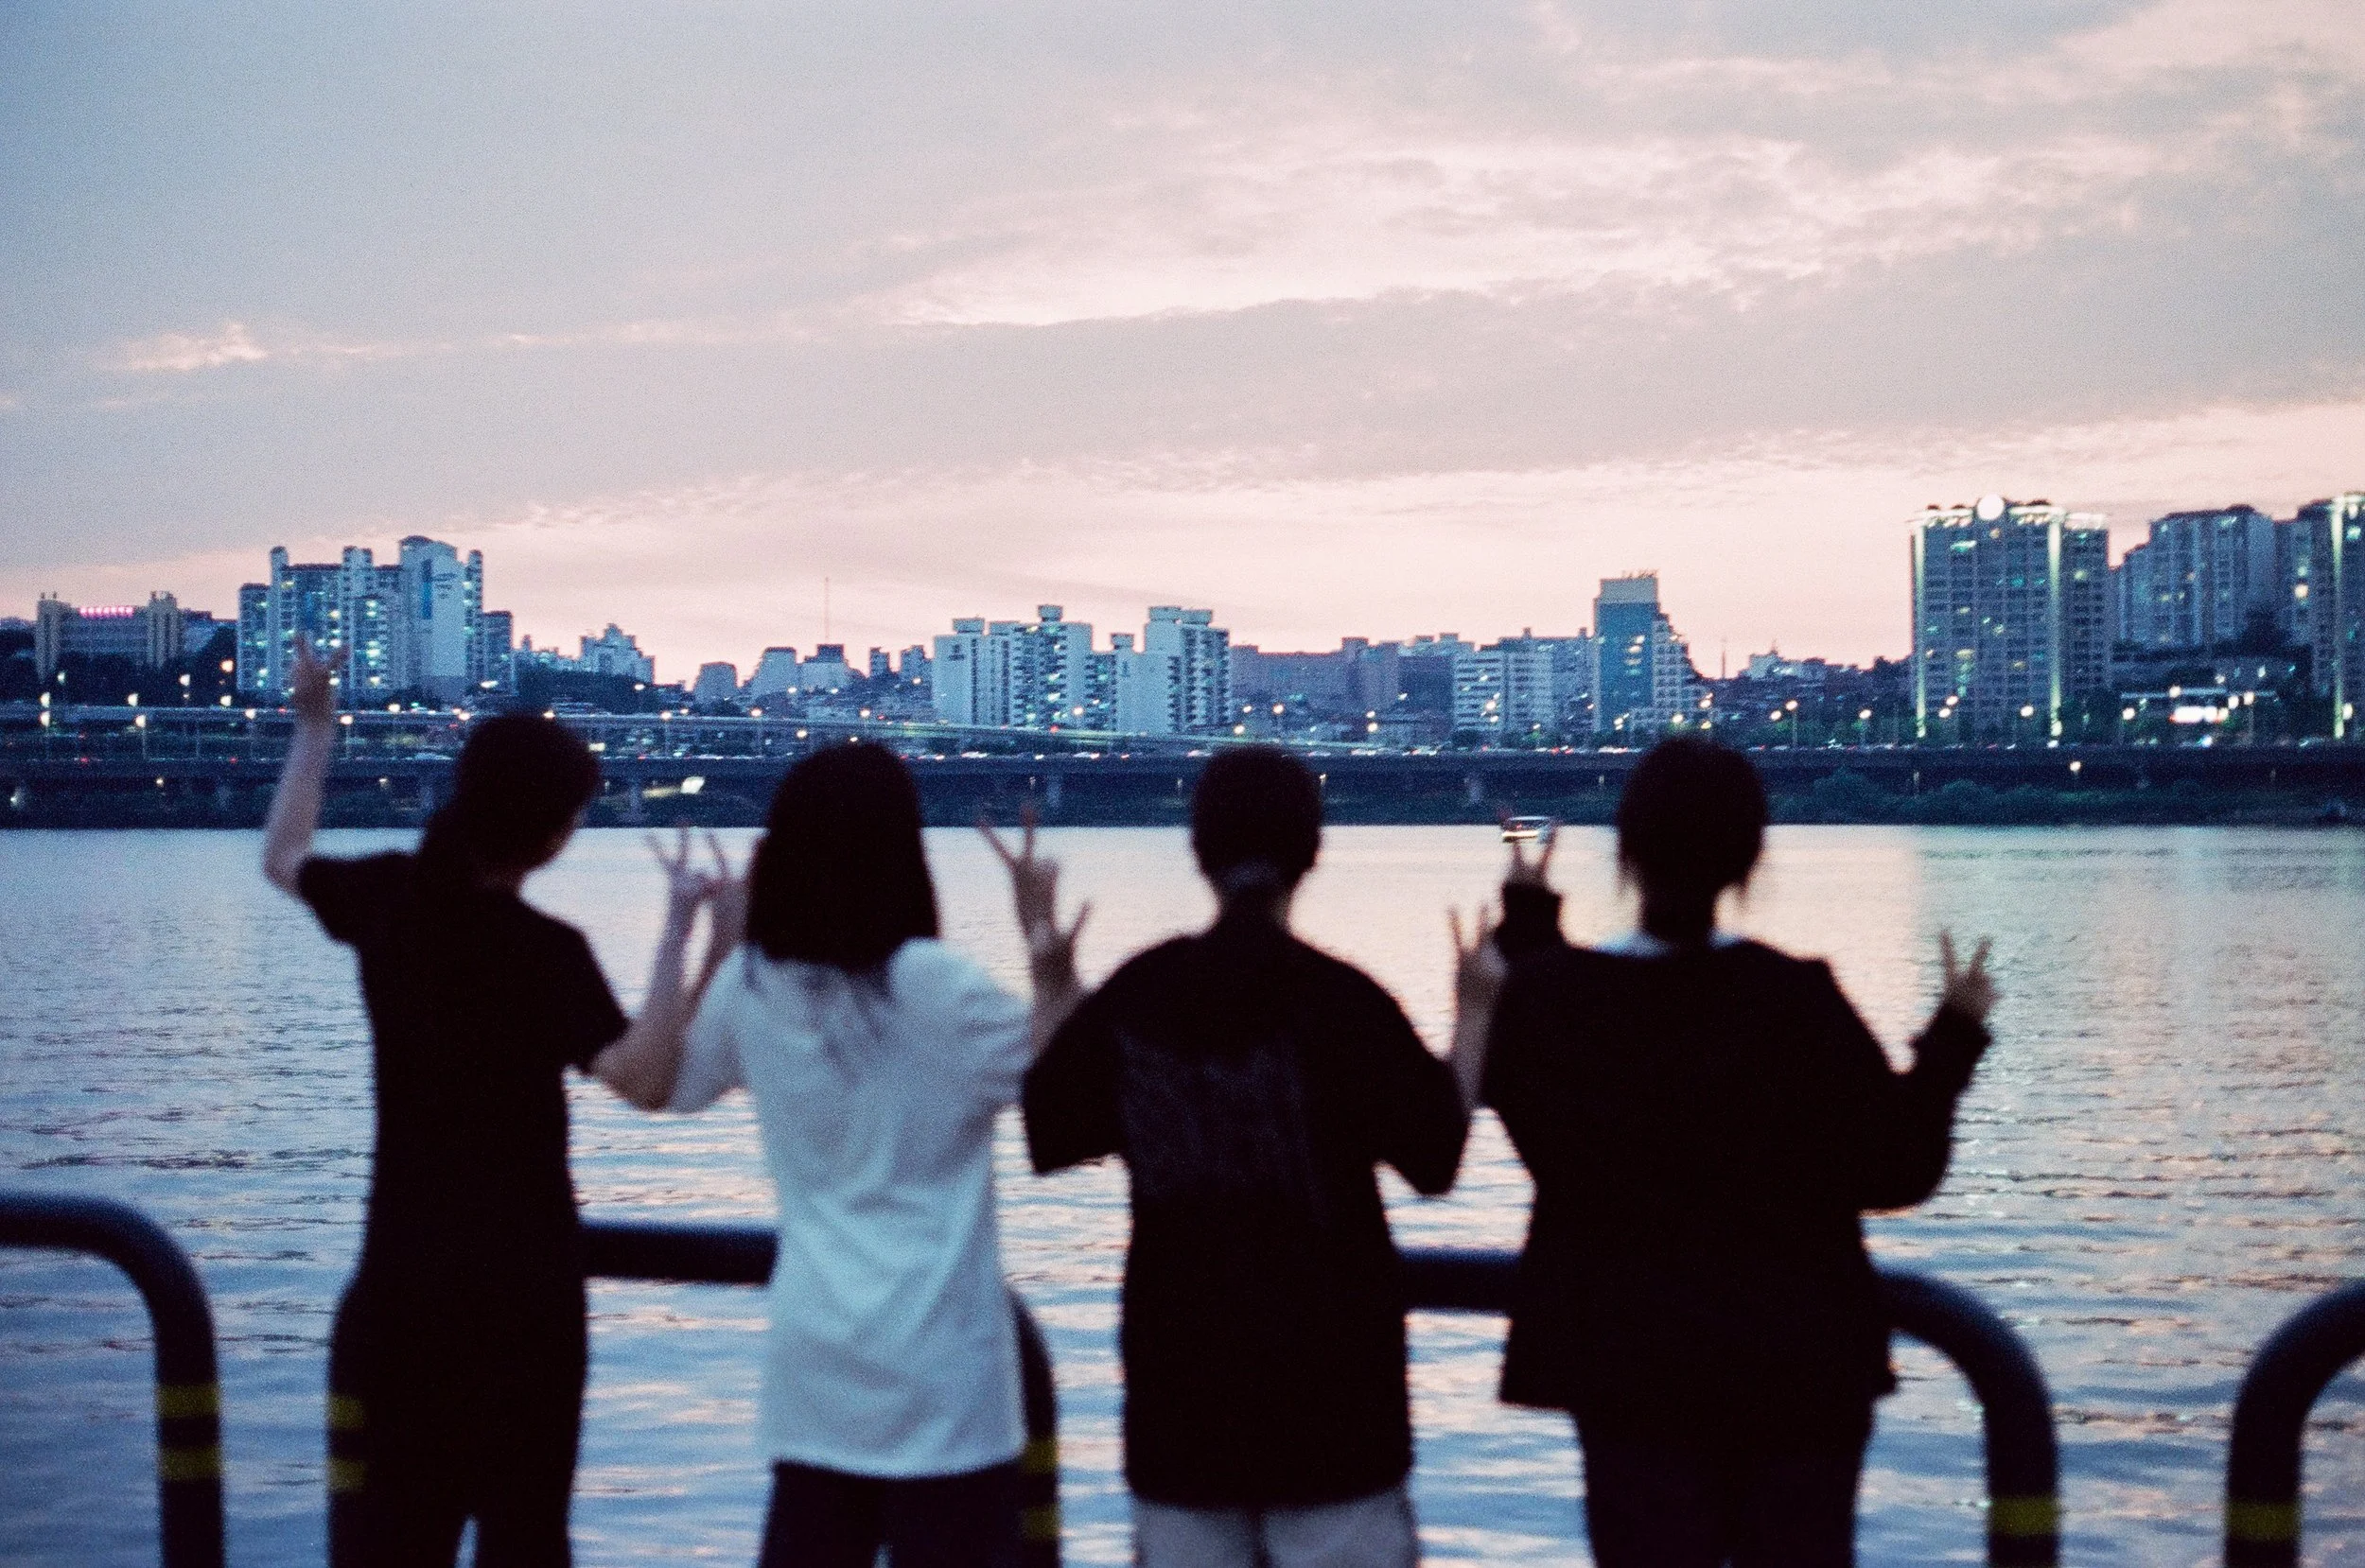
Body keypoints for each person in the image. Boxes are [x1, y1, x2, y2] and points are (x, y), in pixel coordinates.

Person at [1469, 736, 1999, 1568]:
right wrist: (1952, 1040)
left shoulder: (1552, 1004)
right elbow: (1899, 1167)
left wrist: (1529, 922)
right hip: (1800, 1368)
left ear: (1628, 852)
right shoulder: (1796, 1002)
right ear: (1750, 857)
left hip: (1628, 1368)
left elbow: (1543, 1062)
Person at [263, 639, 726, 1568]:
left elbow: (283, 856)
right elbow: (642, 1077)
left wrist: (316, 728)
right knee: (524, 1543)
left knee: (393, 1545)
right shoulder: (543, 951)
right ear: (551, 833)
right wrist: (687, 930)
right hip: (522, 1304)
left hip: (398, 1293)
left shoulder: (391, 897)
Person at [622, 741, 1083, 1568]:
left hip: (816, 1382)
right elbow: (1072, 1090)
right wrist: (1045, 945)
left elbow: (667, 1086)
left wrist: (714, 939)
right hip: (948, 1390)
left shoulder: (754, 986)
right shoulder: (938, 987)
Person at [1018, 746, 1480, 1568]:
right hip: (1338, 1414)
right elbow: (1436, 1154)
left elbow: (1052, 1127)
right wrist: (1476, 1012)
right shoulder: (1344, 1002)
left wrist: (1051, 976)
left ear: (1198, 852)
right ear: (1312, 852)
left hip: (1181, 1414)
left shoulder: (1141, 994)